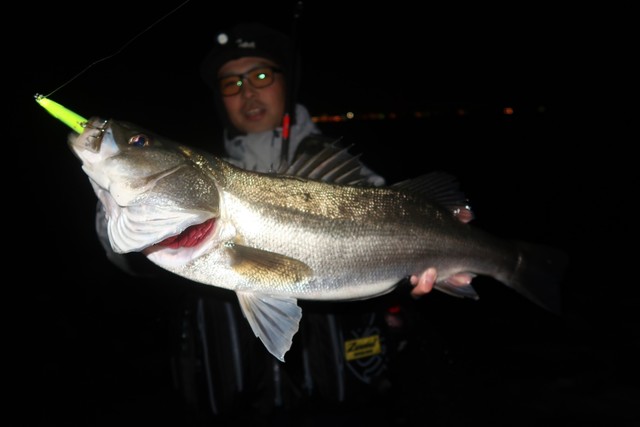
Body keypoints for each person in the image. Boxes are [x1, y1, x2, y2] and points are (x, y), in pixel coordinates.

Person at [164, 21, 440, 424]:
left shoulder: (337, 166)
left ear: (287, 83)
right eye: (231, 84)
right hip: (240, 405)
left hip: (339, 404)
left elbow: (392, 210)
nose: (248, 92)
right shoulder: (196, 180)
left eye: (261, 76)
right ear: (220, 99)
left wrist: (429, 255)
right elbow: (127, 255)